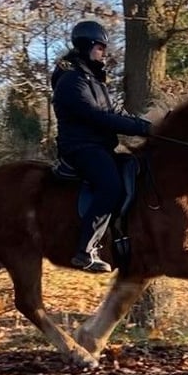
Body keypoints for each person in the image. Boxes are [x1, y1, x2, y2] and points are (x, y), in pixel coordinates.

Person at [50, 20, 152, 273]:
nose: (103, 52)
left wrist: (148, 125)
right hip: (81, 148)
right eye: (100, 47)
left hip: (100, 147)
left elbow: (116, 111)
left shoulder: (95, 81)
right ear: (85, 47)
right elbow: (98, 117)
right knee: (110, 186)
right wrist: (140, 129)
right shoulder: (71, 82)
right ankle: (85, 251)